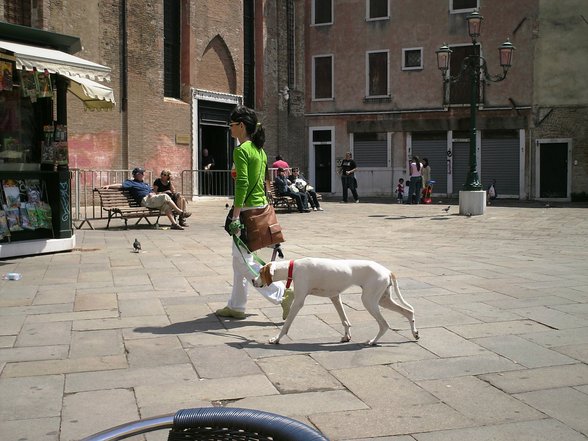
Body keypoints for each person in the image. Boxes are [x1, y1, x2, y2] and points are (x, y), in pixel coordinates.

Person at [217, 105, 294, 320]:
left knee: (244, 261)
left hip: (247, 210)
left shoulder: (241, 150)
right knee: (239, 260)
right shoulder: (259, 151)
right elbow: (261, 181)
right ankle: (236, 306)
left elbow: (242, 183)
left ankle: (282, 295)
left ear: (241, 126)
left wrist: (235, 215)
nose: (230, 129)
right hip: (260, 206)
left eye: (231, 125)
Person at [103, 167, 190, 230]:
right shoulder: (131, 182)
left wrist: (152, 193)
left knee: (166, 206)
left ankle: (174, 224)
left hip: (151, 200)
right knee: (165, 196)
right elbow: (120, 185)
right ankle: (180, 212)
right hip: (144, 201)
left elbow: (153, 191)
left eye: (143, 173)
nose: (143, 174)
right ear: (136, 175)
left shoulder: (145, 184)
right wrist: (109, 186)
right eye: (141, 173)